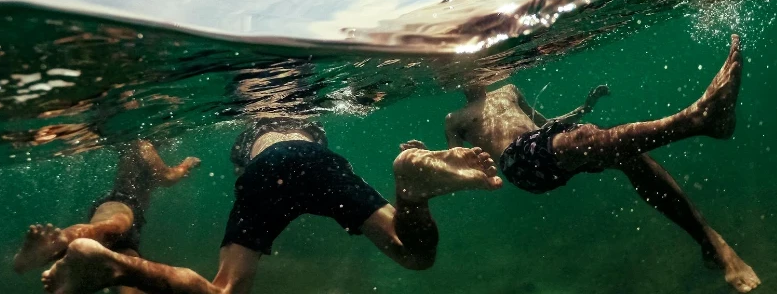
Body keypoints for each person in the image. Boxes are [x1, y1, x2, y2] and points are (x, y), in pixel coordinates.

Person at [443, 34, 761, 293]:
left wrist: (584, 107)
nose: (471, 75)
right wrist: (448, 162)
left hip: (546, 144)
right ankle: (697, 118)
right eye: (462, 71)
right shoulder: (455, 118)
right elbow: (456, 163)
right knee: (587, 140)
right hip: (520, 164)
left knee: (631, 157)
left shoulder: (509, 89)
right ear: (456, 81)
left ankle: (711, 242)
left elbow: (543, 125)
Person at [40, 117, 502, 294]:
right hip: (316, 161)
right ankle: (411, 190)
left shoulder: (247, 139)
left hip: (265, 169)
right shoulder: (310, 128)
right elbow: (305, 155)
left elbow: (248, 183)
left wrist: (260, 219)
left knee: (224, 291)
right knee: (414, 253)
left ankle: (115, 265)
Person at [14, 139, 200, 288]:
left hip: (133, 219)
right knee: (111, 226)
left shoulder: (136, 145)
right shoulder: (143, 144)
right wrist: (186, 165)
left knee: (130, 274)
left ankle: (40, 256)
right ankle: (56, 242)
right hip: (122, 201)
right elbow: (167, 178)